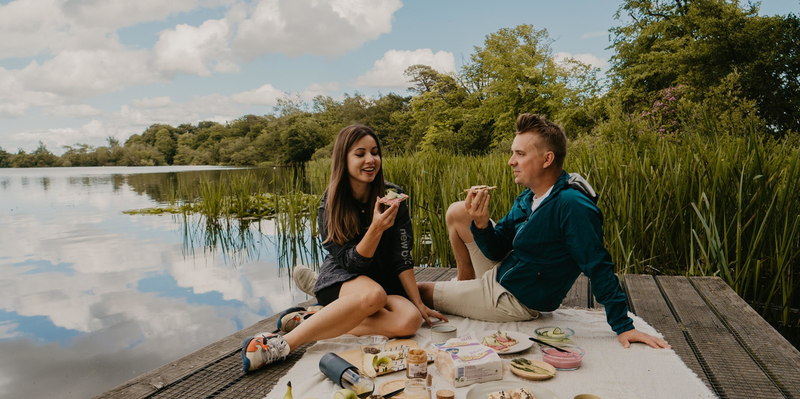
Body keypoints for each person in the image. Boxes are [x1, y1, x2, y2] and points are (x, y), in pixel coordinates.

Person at [417, 113, 670, 349]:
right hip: (505, 271)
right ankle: (465, 285)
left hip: (516, 299)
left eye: (519, 154)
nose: (511, 161)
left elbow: (597, 264)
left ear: (547, 159)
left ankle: (463, 294)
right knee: (458, 211)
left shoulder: (572, 206)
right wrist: (481, 223)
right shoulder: (530, 196)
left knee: (419, 292)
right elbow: (497, 249)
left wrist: (623, 326)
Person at [242, 124, 447, 372]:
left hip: (383, 283)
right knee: (373, 295)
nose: (370, 160)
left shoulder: (394, 197)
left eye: (374, 152)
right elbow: (351, 263)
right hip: (343, 280)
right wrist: (375, 229)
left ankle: (313, 319)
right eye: (360, 154)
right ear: (344, 159)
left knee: (409, 320)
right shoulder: (331, 203)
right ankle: (282, 344)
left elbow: (401, 258)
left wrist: (418, 302)